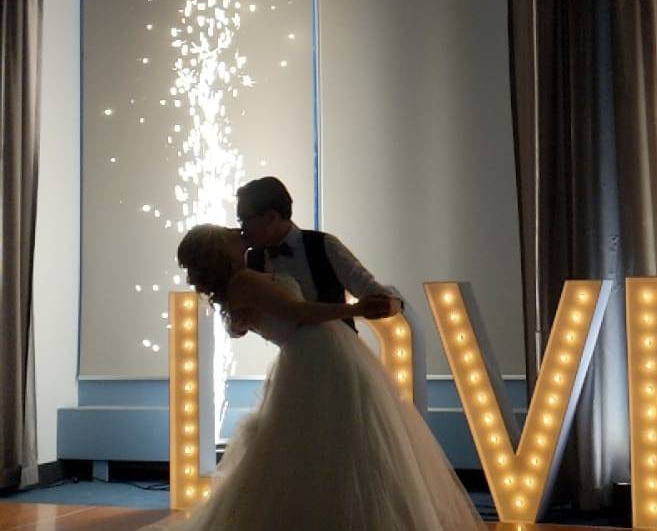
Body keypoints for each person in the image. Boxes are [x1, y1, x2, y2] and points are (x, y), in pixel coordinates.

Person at [160, 223, 486, 530]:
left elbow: (245, 324)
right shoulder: (245, 280)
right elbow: (299, 312)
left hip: (311, 354)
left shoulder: (242, 283)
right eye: (228, 232)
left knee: (321, 442)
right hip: (317, 354)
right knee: (346, 438)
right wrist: (355, 310)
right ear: (220, 250)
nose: (237, 229)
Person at [234, 176, 403, 334]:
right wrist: (237, 324)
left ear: (271, 217)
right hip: (295, 358)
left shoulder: (324, 245)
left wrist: (389, 304)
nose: (241, 228)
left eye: (244, 219)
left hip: (340, 354)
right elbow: (236, 326)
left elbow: (376, 293)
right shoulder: (252, 261)